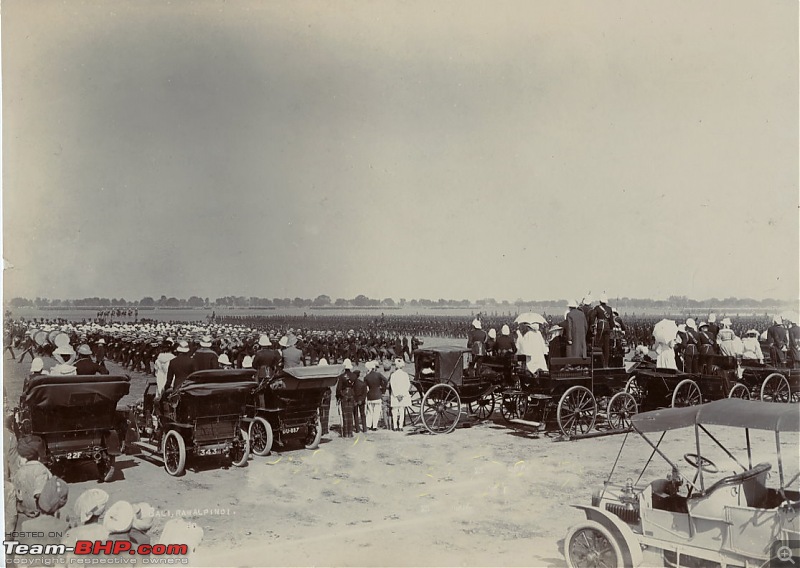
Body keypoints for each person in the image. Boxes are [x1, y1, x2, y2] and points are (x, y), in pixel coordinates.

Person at [13, 435, 52, 530]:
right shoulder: (40, 470)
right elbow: (39, 494)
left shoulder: (19, 472)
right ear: (38, 454)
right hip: (39, 515)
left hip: (25, 514)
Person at [590, 293, 614, 368]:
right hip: (607, 328)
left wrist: (592, 325)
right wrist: (612, 328)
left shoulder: (597, 308)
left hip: (600, 328)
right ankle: (606, 364)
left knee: (599, 346)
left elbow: (592, 317)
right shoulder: (609, 309)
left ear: (600, 301)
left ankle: (601, 363)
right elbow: (611, 321)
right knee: (606, 347)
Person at [389, 359, 412, 431]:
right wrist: (402, 394)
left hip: (395, 396)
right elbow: (407, 385)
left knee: (394, 411)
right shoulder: (405, 375)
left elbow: (392, 385)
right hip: (403, 396)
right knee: (402, 411)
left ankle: (395, 426)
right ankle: (401, 426)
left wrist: (396, 395)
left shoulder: (393, 375)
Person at [364, 361, 387, 431]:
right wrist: (383, 388)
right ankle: (374, 426)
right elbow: (385, 380)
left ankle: (368, 424)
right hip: (377, 394)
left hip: (370, 395)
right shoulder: (378, 374)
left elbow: (365, 387)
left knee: (370, 411)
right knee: (376, 411)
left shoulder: (366, 377)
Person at [336, 359, 356, 437]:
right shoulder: (354, 376)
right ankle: (350, 432)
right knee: (350, 413)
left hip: (344, 394)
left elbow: (339, 388)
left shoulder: (341, 376)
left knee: (344, 413)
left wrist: (338, 396)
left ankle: (345, 432)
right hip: (351, 394)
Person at [352, 369, 367, 434]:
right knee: (362, 414)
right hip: (361, 400)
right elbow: (365, 394)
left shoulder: (352, 384)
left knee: (355, 415)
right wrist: (361, 400)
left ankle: (357, 428)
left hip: (355, 400)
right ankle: (364, 428)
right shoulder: (363, 383)